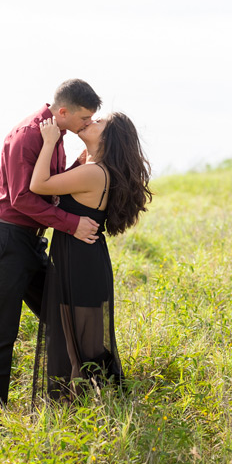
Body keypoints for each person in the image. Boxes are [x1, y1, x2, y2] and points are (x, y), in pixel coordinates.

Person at [0, 78, 102, 415]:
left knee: (63, 315)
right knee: (1, 330)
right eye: (85, 119)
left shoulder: (55, 135)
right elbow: (22, 199)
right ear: (64, 111)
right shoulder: (28, 135)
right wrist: (72, 224)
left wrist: (80, 164)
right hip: (6, 240)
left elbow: (51, 188)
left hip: (32, 244)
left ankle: (69, 400)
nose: (87, 124)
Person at [29, 112, 151, 400]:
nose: (90, 122)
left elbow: (39, 185)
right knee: (80, 341)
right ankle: (94, 406)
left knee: (83, 346)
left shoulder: (95, 173)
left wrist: (49, 142)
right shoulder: (94, 167)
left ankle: (95, 409)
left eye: (99, 123)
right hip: (84, 259)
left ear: (109, 138)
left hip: (81, 263)